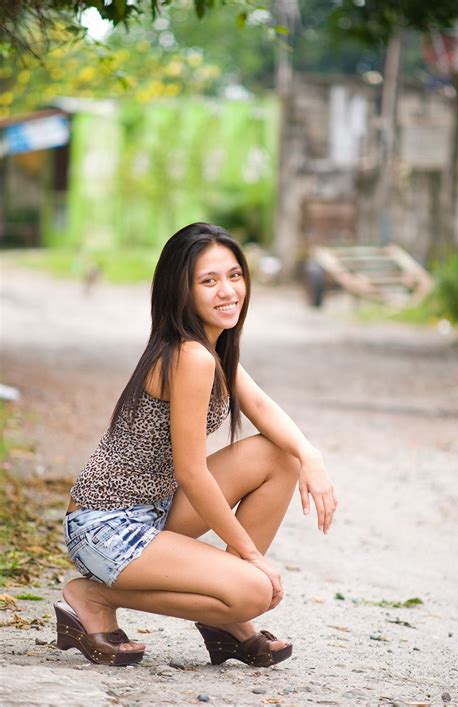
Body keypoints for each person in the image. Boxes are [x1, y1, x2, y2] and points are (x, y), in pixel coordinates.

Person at [55, 222, 338, 668]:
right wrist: (250, 559)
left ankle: (226, 617)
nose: (228, 291)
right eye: (209, 281)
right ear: (181, 291)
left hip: (155, 508)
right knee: (254, 590)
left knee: (279, 457)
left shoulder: (211, 346)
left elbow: (260, 405)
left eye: (235, 275)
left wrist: (310, 456)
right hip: (105, 526)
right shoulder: (190, 356)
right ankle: (89, 596)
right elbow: (192, 472)